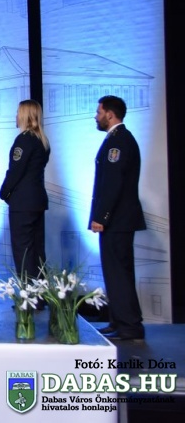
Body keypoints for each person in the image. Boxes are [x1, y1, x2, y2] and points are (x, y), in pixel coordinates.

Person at [90, 95, 146, 341]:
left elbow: (113, 183)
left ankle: (129, 326)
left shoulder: (119, 141)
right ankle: (120, 321)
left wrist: (101, 216)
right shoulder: (118, 139)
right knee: (116, 273)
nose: (96, 116)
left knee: (118, 274)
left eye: (99, 112)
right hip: (119, 219)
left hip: (117, 220)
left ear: (110, 114)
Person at [0, 100, 50, 282]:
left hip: (22, 203)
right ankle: (41, 291)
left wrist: (4, 192)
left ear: (24, 115)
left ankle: (28, 292)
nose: (16, 116)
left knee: (23, 250)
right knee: (37, 250)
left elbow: (16, 171)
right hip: (37, 200)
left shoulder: (24, 140)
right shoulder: (42, 141)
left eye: (18, 112)